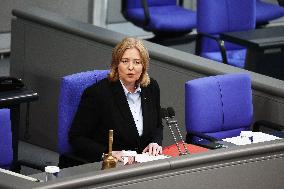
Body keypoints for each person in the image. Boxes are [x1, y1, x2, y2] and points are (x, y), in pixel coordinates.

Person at [69, 37, 163, 164]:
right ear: (116, 64)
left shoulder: (151, 87)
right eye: (125, 61)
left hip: (144, 162)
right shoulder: (98, 94)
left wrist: (155, 142)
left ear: (144, 66)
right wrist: (107, 153)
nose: (131, 67)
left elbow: (157, 125)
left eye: (137, 62)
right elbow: (77, 138)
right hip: (111, 166)